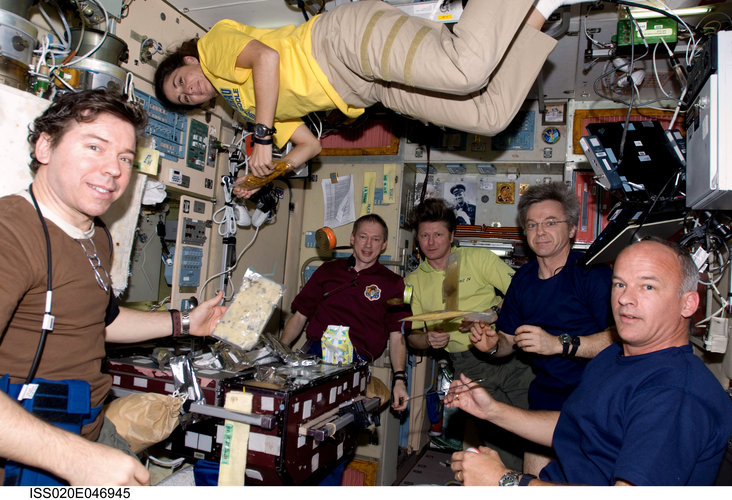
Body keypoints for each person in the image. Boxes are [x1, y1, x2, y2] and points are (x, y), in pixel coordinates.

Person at [0, 89, 227, 486]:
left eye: (125, 158)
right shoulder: (11, 234)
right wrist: (73, 459)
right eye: (94, 147)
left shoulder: (96, 235)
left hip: (84, 425)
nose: (114, 170)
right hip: (28, 447)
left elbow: (101, 321)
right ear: (45, 146)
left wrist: (186, 322)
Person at [153, 0, 589, 182]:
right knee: (488, 116)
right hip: (369, 88)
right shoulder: (245, 107)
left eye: (180, 82)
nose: (189, 91)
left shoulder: (212, 47)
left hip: (338, 45)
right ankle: (544, 7)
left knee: (465, 71)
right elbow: (309, 145)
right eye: (185, 100)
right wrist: (270, 173)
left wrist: (263, 136)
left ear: (186, 61)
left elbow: (266, 58)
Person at [447, 238, 732, 486]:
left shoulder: (675, 394)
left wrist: (507, 482)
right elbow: (575, 427)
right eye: (620, 284)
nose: (625, 299)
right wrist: (493, 411)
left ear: (689, 304)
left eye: (647, 286)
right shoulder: (615, 355)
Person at [469, 181, 614, 473]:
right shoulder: (522, 281)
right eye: (532, 225)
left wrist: (559, 344)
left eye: (550, 222)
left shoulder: (593, 274)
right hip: (545, 397)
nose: (540, 232)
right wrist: (492, 345)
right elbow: (508, 340)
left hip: (595, 399)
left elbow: (620, 340)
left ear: (572, 228)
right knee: (534, 483)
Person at [405, 198, 534, 470]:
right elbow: (412, 336)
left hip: (508, 354)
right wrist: (427, 339)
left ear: (452, 235)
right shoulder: (413, 281)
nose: (431, 242)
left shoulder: (479, 259)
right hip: (467, 363)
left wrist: (493, 312)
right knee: (492, 439)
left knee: (531, 428)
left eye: (438, 234)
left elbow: (521, 293)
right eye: (425, 236)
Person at [280, 214, 411, 412]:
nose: (368, 245)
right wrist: (281, 352)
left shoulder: (393, 283)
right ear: (352, 238)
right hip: (315, 357)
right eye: (363, 237)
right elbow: (300, 316)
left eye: (375, 239)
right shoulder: (328, 271)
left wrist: (399, 379)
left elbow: (397, 335)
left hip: (354, 365)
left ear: (383, 244)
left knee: (336, 423)